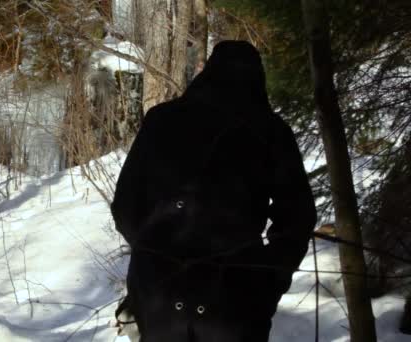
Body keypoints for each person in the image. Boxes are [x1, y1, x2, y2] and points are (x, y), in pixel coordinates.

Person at [111, 40, 317, 341]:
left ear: (207, 73)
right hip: (236, 297)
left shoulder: (162, 120)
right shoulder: (270, 131)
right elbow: (298, 218)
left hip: (164, 296)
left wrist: (152, 255)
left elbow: (126, 206)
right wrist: (269, 279)